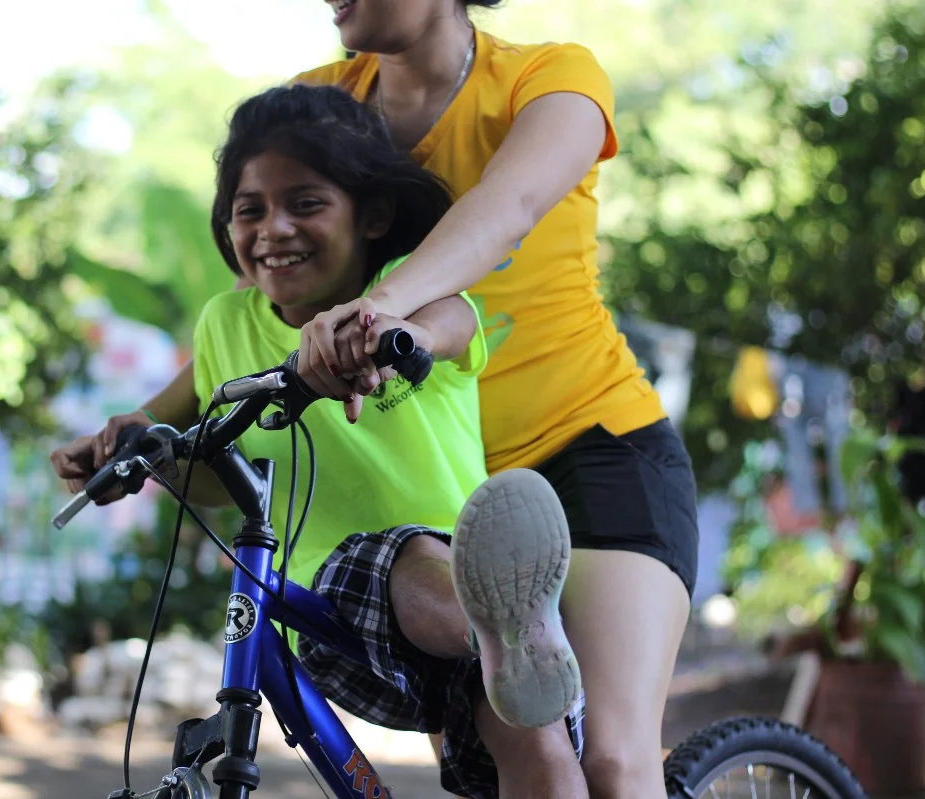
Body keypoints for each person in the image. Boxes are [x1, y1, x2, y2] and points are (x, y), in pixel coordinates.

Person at [50, 83, 589, 799]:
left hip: (471, 589)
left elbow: (452, 321)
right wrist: (122, 447)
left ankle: (510, 634)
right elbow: (172, 433)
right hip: (334, 613)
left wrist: (400, 338)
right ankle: (501, 632)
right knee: (380, 559)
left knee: (531, 742)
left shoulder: (402, 289)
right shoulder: (225, 325)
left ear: (371, 215)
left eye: (305, 203)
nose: (274, 228)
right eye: (250, 209)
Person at [288, 3, 700, 799]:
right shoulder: (319, 105)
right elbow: (259, 290)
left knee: (613, 759)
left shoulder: (553, 80)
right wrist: (142, 418)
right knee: (494, 771)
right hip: (450, 493)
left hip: (594, 449)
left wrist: (379, 308)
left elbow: (503, 212)